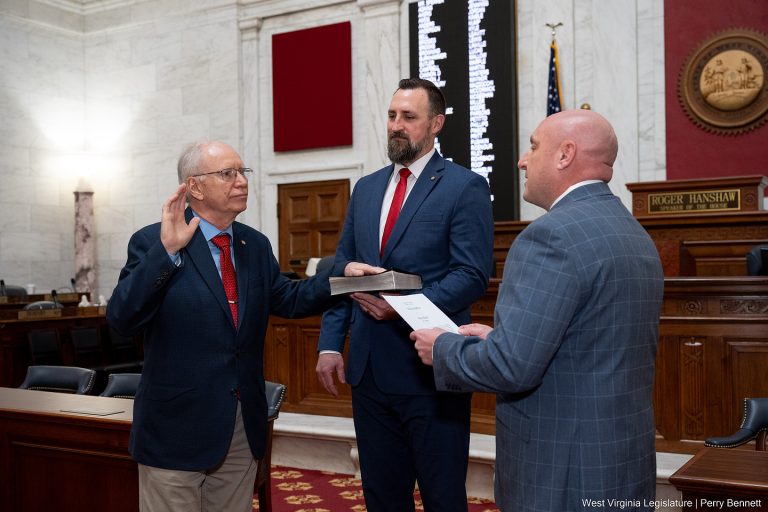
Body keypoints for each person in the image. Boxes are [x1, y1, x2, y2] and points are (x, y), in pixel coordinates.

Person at [411, 109, 665, 512]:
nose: (522, 160)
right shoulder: (633, 232)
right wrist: (497, 338)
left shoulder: (550, 236)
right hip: (621, 458)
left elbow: (512, 368)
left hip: (561, 471)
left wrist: (441, 348)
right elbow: (591, 344)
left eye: (532, 146)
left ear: (565, 154)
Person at [107, 140, 333, 512]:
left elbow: (289, 299)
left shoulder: (254, 245)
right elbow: (122, 319)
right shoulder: (153, 240)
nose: (241, 181)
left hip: (241, 428)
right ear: (194, 187)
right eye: (227, 174)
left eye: (242, 172)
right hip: (175, 428)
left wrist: (343, 277)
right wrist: (167, 252)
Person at [315, 77, 494, 511]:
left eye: (408, 117)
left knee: (442, 496)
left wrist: (404, 310)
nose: (397, 125)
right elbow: (344, 268)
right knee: (382, 496)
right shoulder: (367, 189)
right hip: (369, 371)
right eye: (392, 115)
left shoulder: (463, 186)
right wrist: (329, 345)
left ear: (436, 123)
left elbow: (472, 273)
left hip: (429, 369)